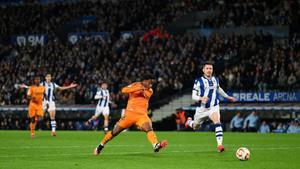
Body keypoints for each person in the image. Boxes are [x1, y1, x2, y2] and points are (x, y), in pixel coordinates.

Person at [93, 74, 168, 155]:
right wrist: (138, 88)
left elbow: (146, 95)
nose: (151, 85)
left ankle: (156, 145)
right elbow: (124, 90)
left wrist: (142, 89)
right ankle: (100, 146)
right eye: (150, 82)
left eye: (152, 83)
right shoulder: (135, 84)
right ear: (145, 81)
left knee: (149, 128)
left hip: (141, 115)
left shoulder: (150, 90)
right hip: (129, 114)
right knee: (114, 132)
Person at [185, 62, 237, 152]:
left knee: (217, 122)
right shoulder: (198, 81)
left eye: (211, 68)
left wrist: (228, 97)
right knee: (196, 127)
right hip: (201, 109)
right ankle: (189, 122)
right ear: (203, 70)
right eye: (207, 68)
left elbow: (218, 89)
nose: (209, 70)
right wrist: (201, 98)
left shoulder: (215, 79)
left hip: (213, 107)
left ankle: (220, 145)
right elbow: (193, 96)